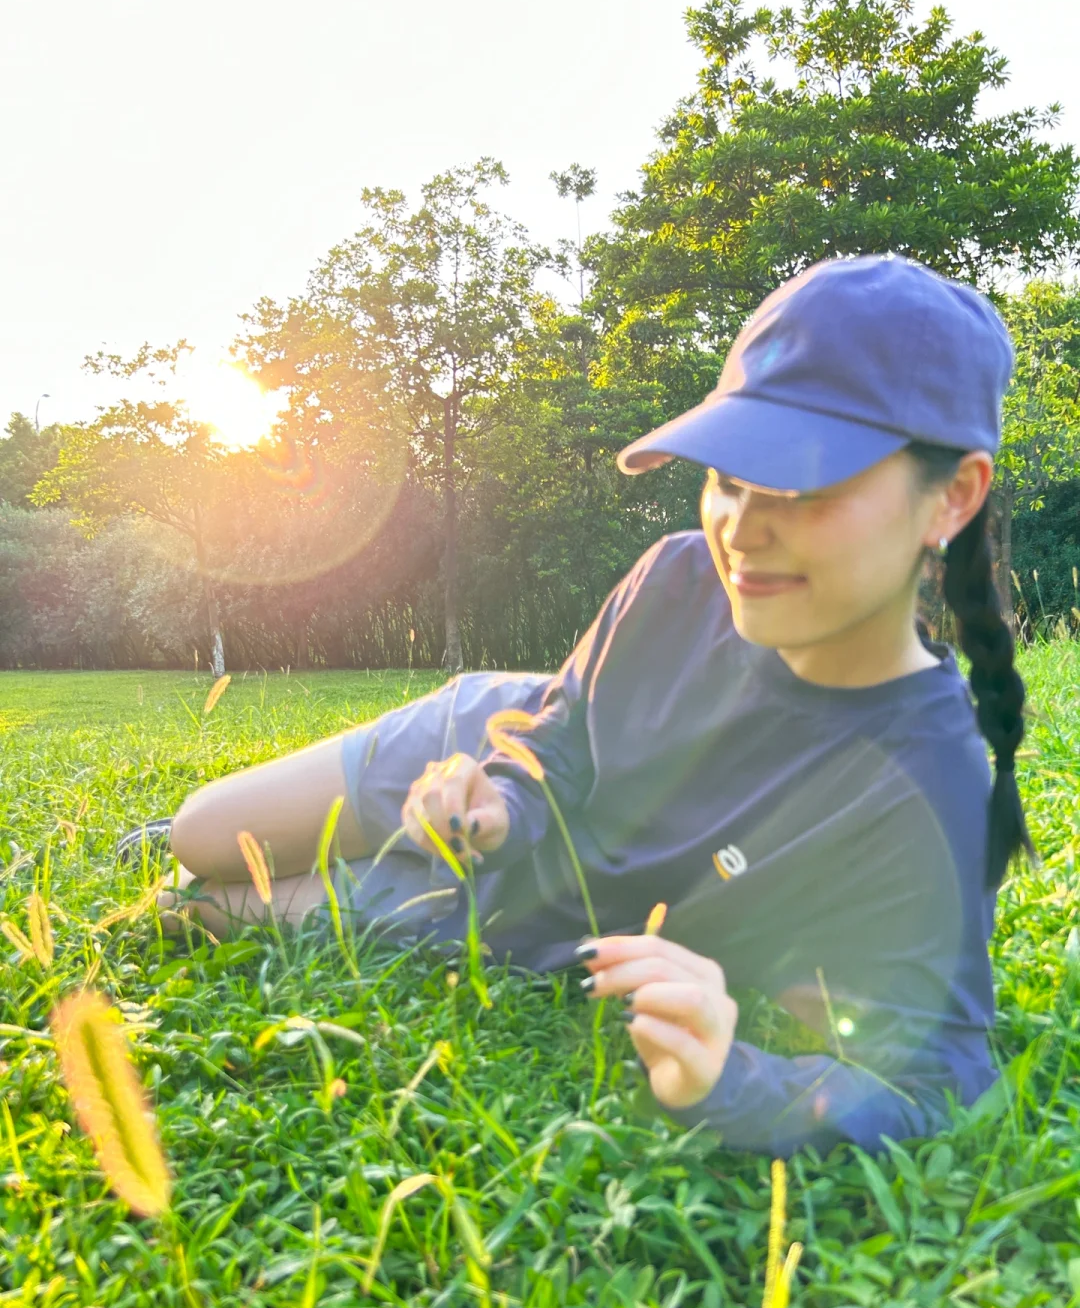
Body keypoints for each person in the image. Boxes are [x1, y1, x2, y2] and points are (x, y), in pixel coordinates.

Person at [130, 254, 1038, 1157]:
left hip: (551, 910)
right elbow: (556, 740)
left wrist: (738, 1082)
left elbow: (940, 1079)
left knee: (196, 905)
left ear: (951, 497)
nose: (743, 529)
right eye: (726, 476)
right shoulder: (680, 575)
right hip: (480, 750)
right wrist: (495, 801)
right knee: (198, 835)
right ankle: (203, 829)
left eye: (802, 486)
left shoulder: (933, 773)